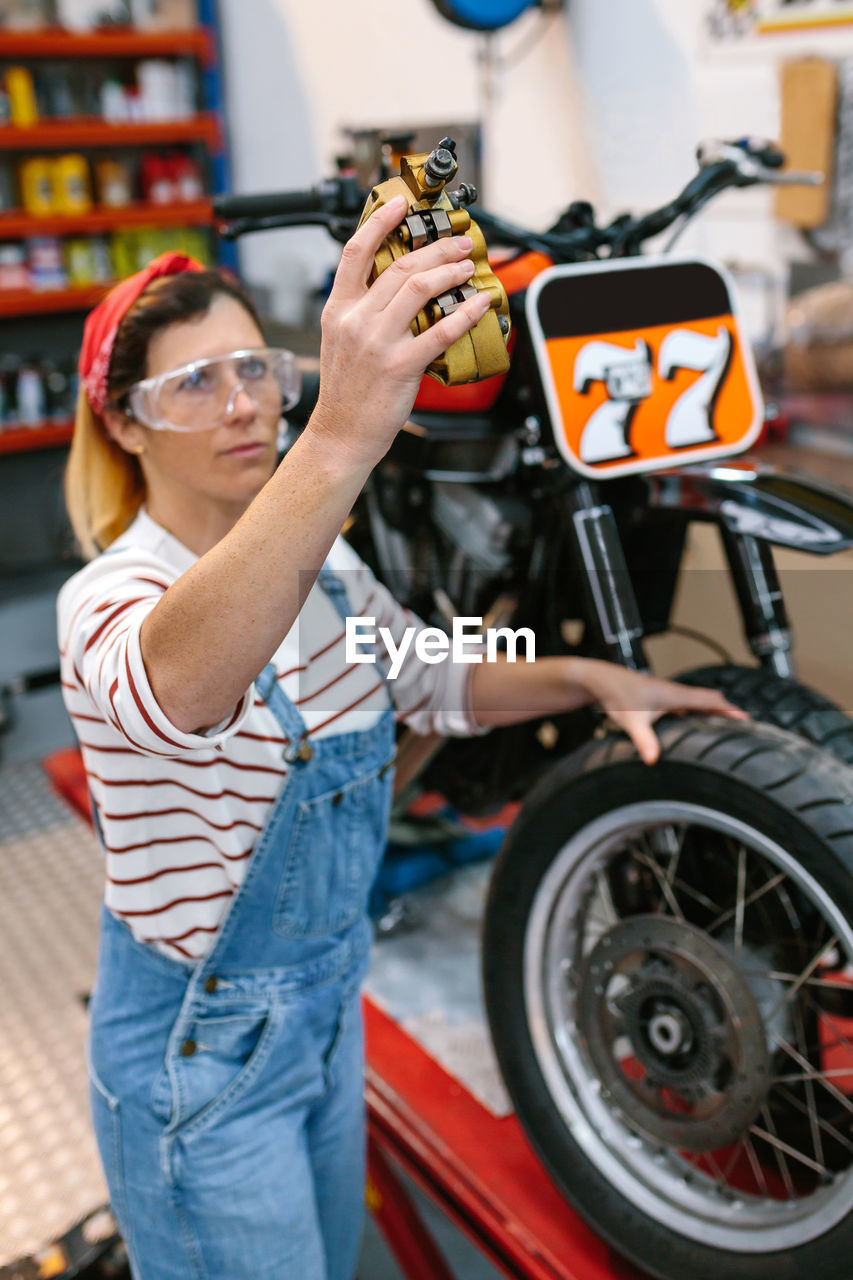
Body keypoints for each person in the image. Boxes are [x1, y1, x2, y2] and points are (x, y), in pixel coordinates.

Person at [58, 199, 745, 1280]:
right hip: (198, 1060)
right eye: (193, 382)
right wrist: (339, 436)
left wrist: (593, 676)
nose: (243, 405)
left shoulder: (326, 571)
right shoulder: (110, 596)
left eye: (253, 368)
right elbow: (177, 685)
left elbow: (433, 675)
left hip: (329, 1021)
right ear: (124, 423)